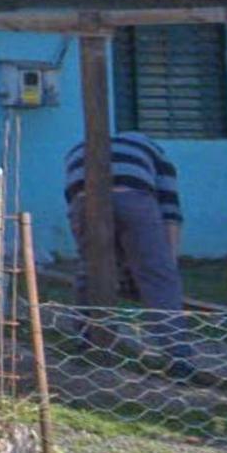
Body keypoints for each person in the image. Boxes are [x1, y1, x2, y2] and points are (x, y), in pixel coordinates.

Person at [63, 128, 193, 371]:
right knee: (157, 276)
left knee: (90, 270)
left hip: (82, 195)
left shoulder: (79, 148)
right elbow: (170, 214)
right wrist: (168, 264)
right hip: (132, 196)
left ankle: (85, 341)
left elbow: (74, 206)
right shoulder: (159, 156)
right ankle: (178, 356)